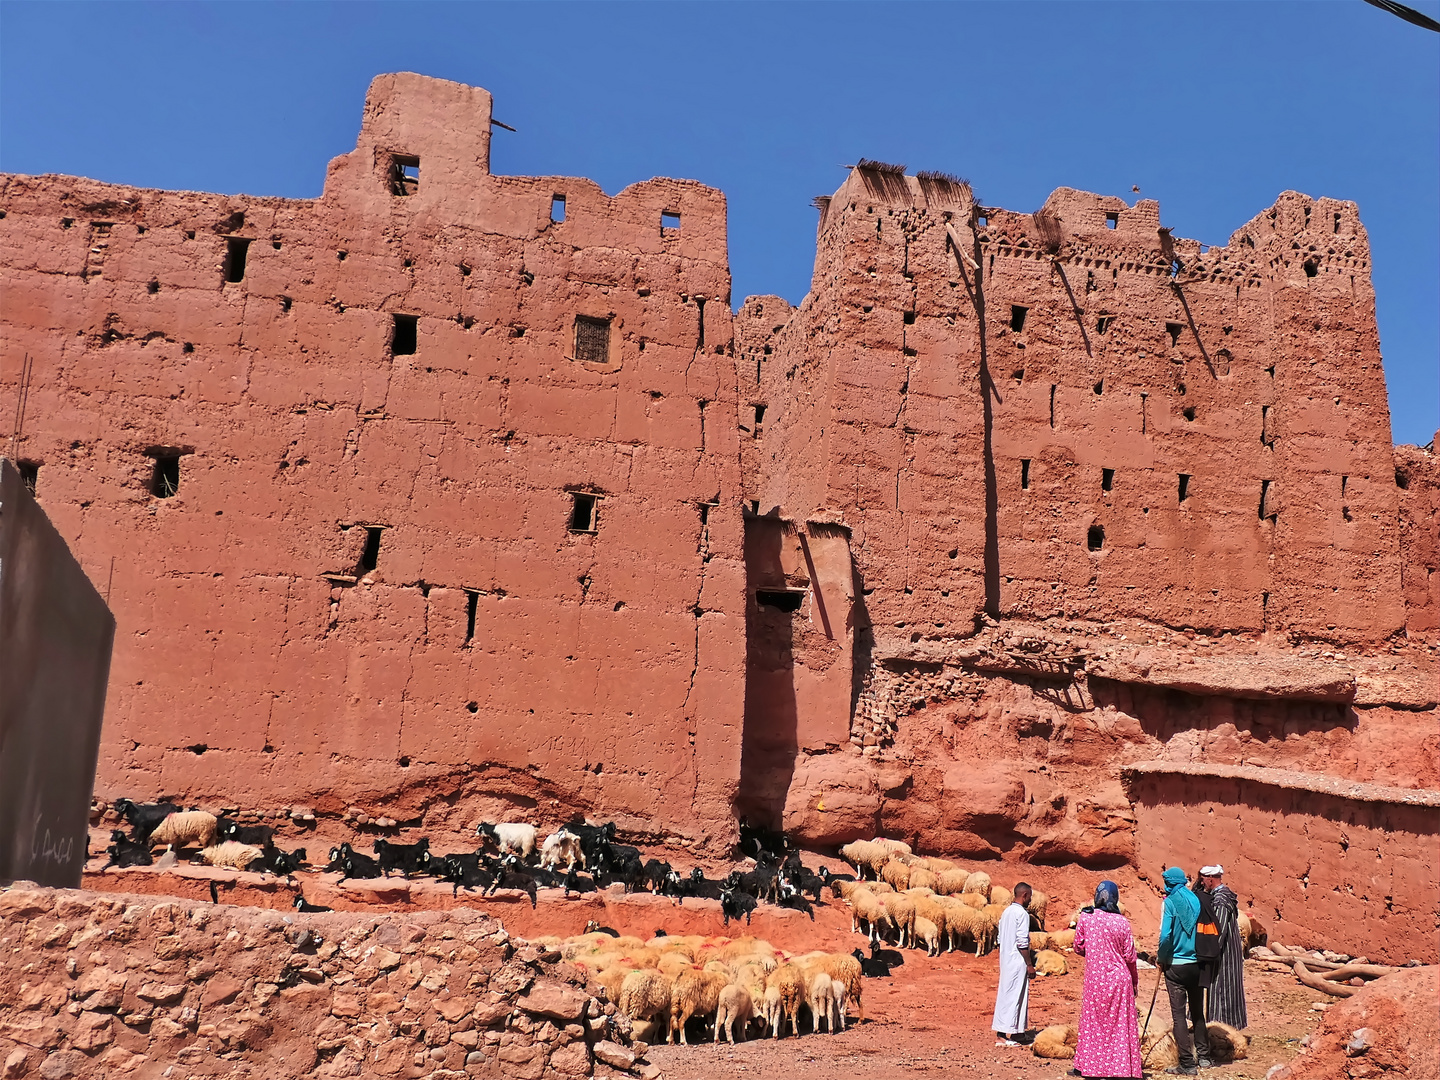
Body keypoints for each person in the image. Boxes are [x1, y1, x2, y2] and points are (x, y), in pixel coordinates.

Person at [1073, 880, 1143, 1079]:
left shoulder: (1086, 918)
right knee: (1119, 1025)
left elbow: (1078, 946)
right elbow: (1130, 956)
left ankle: (1090, 1066)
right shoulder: (1122, 922)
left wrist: (1096, 951)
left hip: (1095, 980)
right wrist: (1135, 981)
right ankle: (1119, 1069)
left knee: (1093, 1023)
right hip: (1120, 980)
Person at [1158, 866, 1212, 1075]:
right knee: (1198, 1012)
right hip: (1196, 964)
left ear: (1170, 882)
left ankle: (1187, 1064)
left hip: (1176, 966)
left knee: (1179, 1016)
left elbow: (1165, 936)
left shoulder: (1170, 903)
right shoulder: (1195, 899)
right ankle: (1204, 1057)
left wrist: (1162, 958)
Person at [1199, 865, 1248, 1029]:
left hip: (1224, 957)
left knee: (1222, 991)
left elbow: (1218, 931)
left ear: (1211, 879)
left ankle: (1221, 1030)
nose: (1202, 882)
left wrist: (1208, 953)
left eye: (1204, 879)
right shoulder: (1223, 896)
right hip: (1228, 953)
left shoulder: (1220, 901)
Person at [991, 881, 1035, 1047]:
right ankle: (1002, 1035)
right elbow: (1022, 942)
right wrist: (1029, 964)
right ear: (1024, 895)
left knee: (1014, 994)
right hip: (1017, 961)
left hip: (1007, 959)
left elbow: (1000, 938)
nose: (1030, 899)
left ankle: (1018, 1032)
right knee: (1012, 996)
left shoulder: (1007, 912)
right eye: (1030, 896)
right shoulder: (1022, 914)